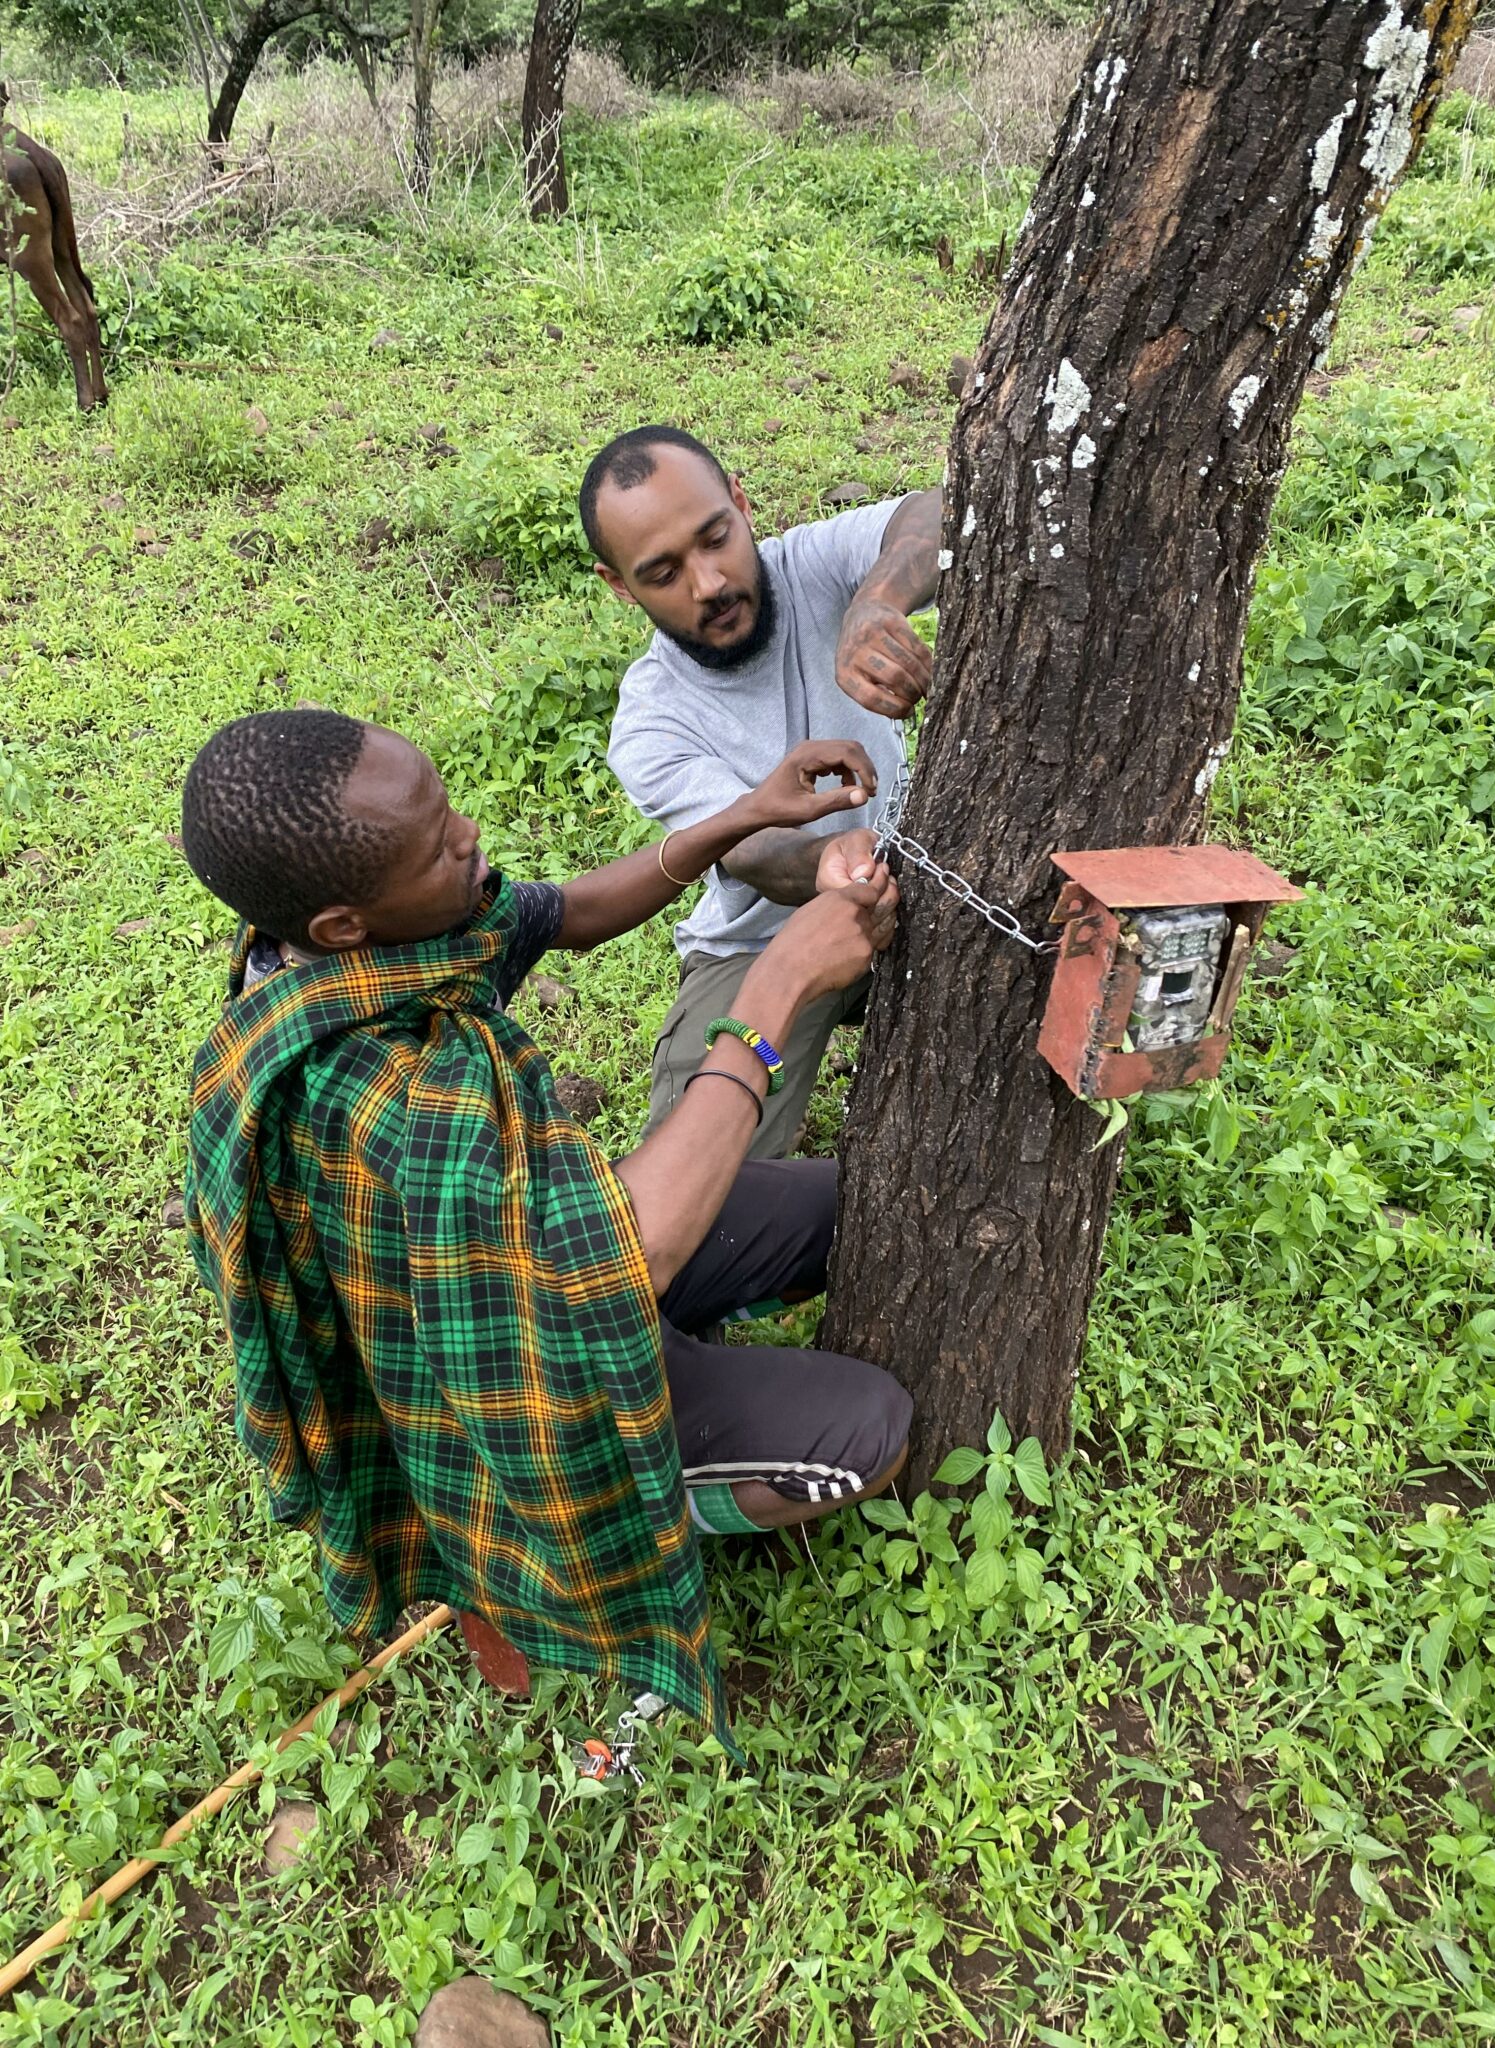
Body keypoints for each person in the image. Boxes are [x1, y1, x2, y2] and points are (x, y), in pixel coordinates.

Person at [179, 707, 912, 1741]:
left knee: (842, 1207)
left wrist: (745, 814)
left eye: (448, 806)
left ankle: (675, 1388)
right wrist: (777, 985)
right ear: (346, 922)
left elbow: (558, 911)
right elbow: (632, 1249)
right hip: (496, 1378)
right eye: (438, 842)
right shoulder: (389, 1091)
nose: (470, 834)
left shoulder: (364, 945)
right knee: (868, 1431)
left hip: (504, 1268)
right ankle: (583, 1544)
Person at [590, 425, 941, 1159]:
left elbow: (937, 511)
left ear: (742, 505)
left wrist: (876, 602)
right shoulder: (652, 721)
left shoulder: (812, 564)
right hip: (761, 943)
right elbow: (748, 850)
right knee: (708, 1179)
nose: (709, 583)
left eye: (716, 537)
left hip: (928, 892)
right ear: (619, 585)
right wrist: (824, 861)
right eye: (662, 573)